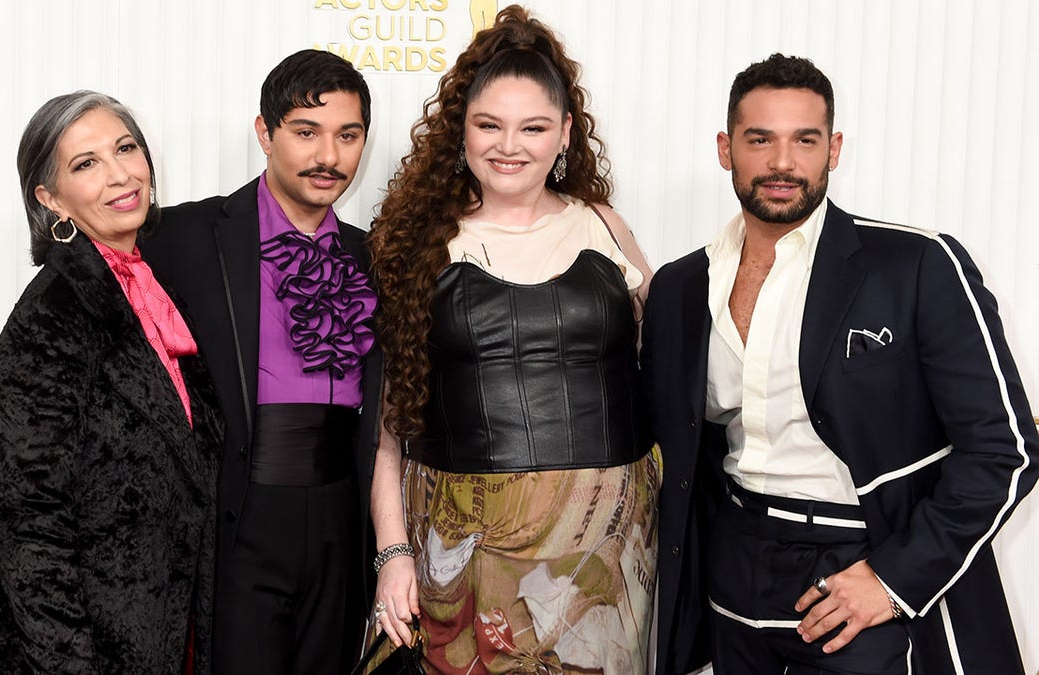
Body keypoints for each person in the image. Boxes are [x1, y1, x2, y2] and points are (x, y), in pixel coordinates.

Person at [0, 50, 381, 673]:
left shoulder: (374, 257)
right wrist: (1, 448)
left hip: (332, 534)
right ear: (265, 132)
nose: (327, 156)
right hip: (223, 537)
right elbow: (48, 374)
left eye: (348, 135)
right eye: (306, 132)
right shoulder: (179, 236)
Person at [643, 53, 1039, 675]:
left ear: (834, 149)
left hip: (863, 562)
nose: (782, 163)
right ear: (726, 149)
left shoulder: (917, 266)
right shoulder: (679, 287)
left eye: (805, 140)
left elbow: (1006, 451)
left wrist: (891, 579)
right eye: (759, 140)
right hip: (735, 571)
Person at [368, 6, 659, 673]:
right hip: (465, 556)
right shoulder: (419, 245)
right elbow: (389, 433)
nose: (510, 145)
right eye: (489, 125)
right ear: (460, 134)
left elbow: (664, 365)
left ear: (564, 135)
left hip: (605, 556)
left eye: (533, 127)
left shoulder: (604, 226)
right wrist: (393, 554)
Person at [0, 91, 221, 673]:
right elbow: (29, 523)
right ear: (51, 199)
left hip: (145, 626)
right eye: (86, 164)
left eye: (126, 148)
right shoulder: (53, 313)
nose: (120, 174)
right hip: (52, 647)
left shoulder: (154, 290)